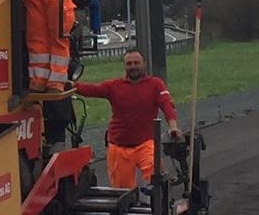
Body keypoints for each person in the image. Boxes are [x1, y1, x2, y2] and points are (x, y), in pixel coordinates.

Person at [75, 50, 182, 188]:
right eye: (129, 63)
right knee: (122, 192)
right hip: (119, 146)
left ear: (144, 64)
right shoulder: (114, 86)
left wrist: (173, 127)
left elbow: (167, 105)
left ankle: (153, 206)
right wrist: (70, 86)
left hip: (145, 144)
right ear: (125, 66)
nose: (133, 66)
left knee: (156, 179)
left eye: (136, 63)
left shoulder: (155, 84)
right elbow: (92, 89)